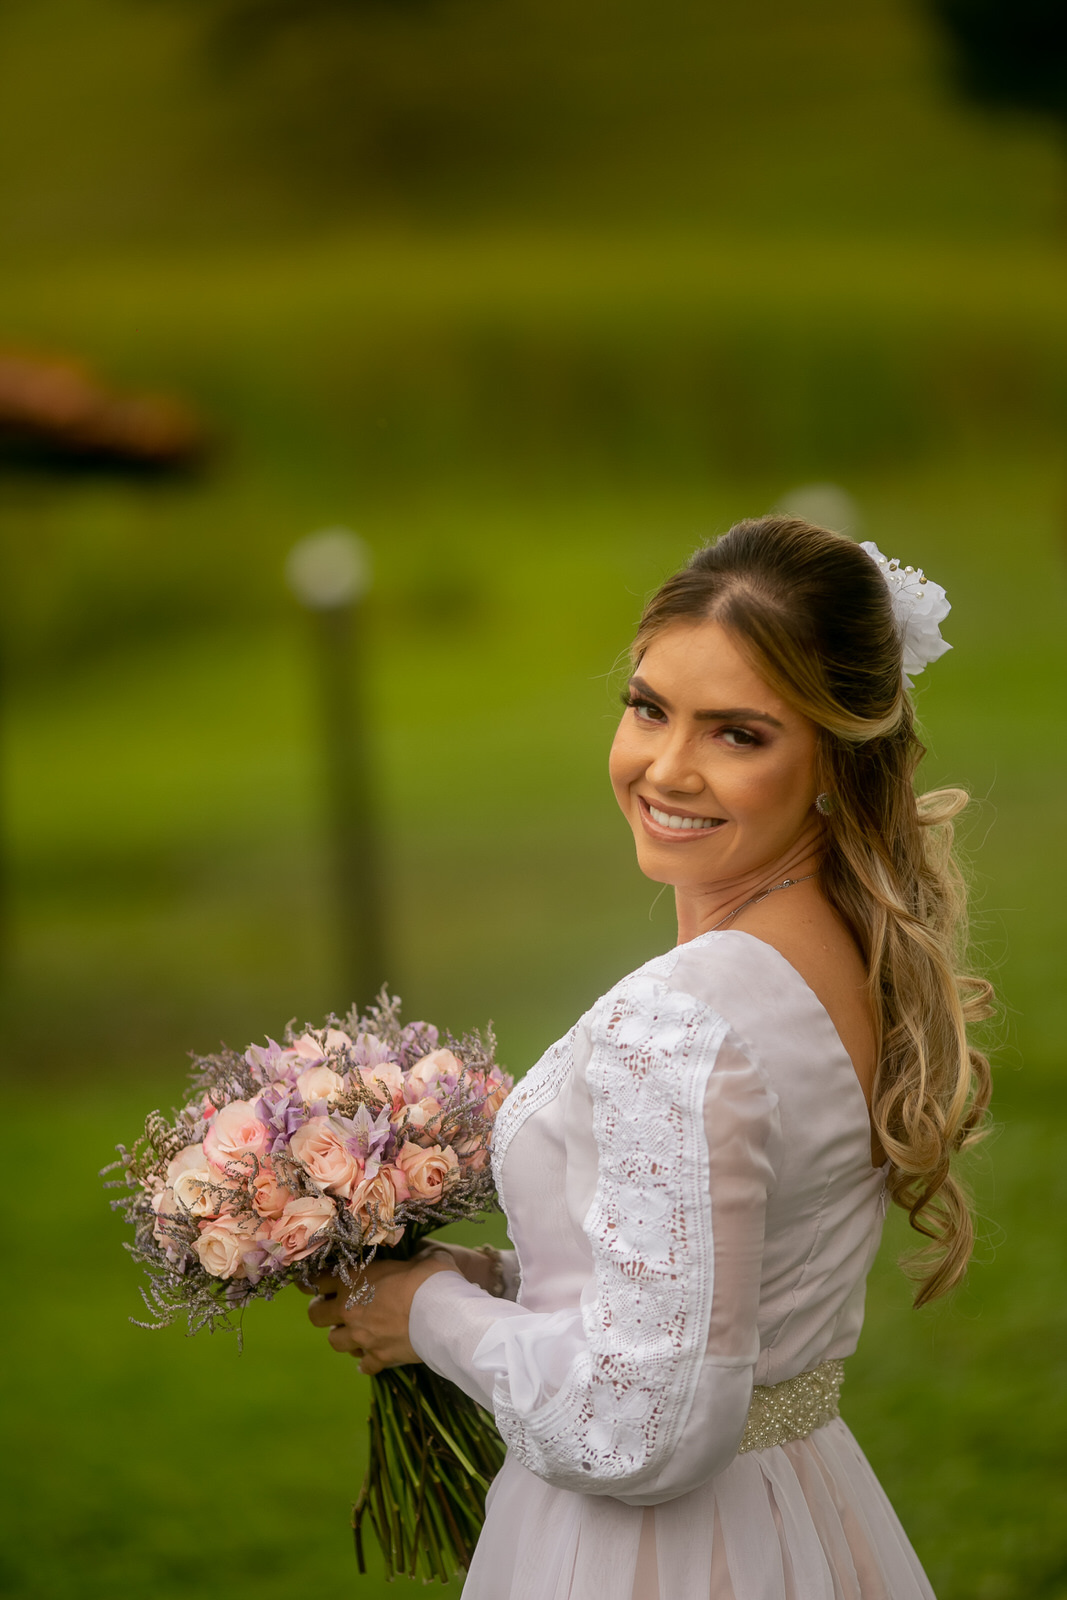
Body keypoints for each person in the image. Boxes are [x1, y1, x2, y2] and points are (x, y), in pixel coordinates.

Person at [306, 516, 993, 1599]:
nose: (664, 768)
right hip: (795, 1510)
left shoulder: (677, 1023)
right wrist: (485, 1281)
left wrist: (427, 1318)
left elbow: (639, 1426)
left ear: (830, 753)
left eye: (737, 734)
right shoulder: (845, 950)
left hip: (657, 1557)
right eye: (647, 707)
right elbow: (713, 1282)